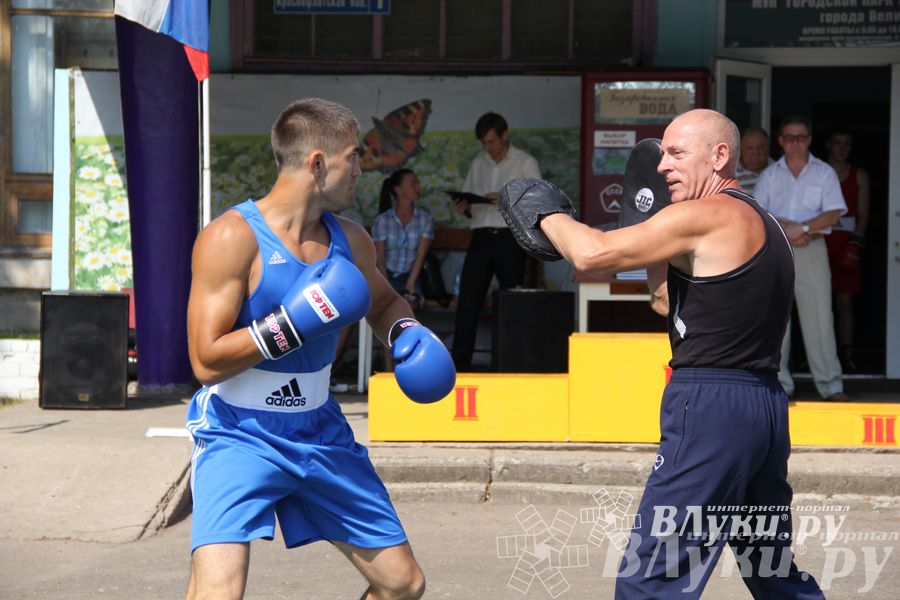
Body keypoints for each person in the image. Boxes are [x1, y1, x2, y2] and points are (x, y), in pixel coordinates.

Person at [500, 109, 824, 598]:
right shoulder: (767, 224)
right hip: (763, 406)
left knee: (651, 577)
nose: (664, 166)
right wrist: (648, 230)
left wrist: (545, 212)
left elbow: (591, 255)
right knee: (772, 570)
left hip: (710, 404)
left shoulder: (702, 214)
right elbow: (666, 302)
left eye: (677, 153)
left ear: (719, 156)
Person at [184, 98, 455, 600]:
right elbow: (204, 360)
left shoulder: (350, 240)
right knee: (218, 590)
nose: (360, 169)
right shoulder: (231, 238)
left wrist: (407, 334)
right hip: (239, 431)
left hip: (320, 430)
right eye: (352, 157)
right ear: (316, 163)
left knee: (402, 584)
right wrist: (291, 325)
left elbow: (385, 302)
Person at [754, 115, 849, 401]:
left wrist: (804, 228)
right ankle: (780, 386)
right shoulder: (769, 175)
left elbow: (834, 213)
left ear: (809, 139)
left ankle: (831, 386)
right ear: (781, 141)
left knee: (820, 318)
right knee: (777, 320)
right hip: (777, 251)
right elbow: (759, 213)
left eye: (802, 138)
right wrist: (788, 229)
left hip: (812, 249)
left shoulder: (824, 173)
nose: (796, 144)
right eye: (790, 138)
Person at [450, 111, 541, 371]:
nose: (488, 148)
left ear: (504, 135)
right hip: (480, 236)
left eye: (492, 142)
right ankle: (459, 366)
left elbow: (539, 201)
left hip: (510, 237)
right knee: (468, 301)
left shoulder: (525, 162)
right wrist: (464, 206)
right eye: (484, 143)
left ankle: (511, 365)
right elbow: (470, 202)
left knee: (510, 302)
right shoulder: (478, 163)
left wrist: (503, 197)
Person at [371, 168, 435, 370]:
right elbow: (379, 259)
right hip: (387, 277)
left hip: (412, 277)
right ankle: (390, 372)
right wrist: (387, 287)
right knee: (384, 313)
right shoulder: (383, 221)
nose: (418, 187)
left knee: (407, 310)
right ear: (399, 190)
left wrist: (409, 285)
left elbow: (420, 256)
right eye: (413, 183)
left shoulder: (425, 219)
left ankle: (407, 367)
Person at [825, 127, 870, 372]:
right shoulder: (818, 172)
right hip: (821, 240)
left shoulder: (858, 175)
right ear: (828, 145)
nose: (842, 149)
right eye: (838, 143)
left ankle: (847, 354)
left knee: (845, 303)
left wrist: (856, 242)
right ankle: (819, 355)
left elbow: (863, 215)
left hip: (847, 244)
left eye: (847, 144)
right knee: (820, 303)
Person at [735, 126, 773, 194]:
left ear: (768, 148)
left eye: (760, 147)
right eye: (749, 148)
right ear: (740, 149)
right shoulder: (729, 175)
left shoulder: (780, 171)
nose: (755, 153)